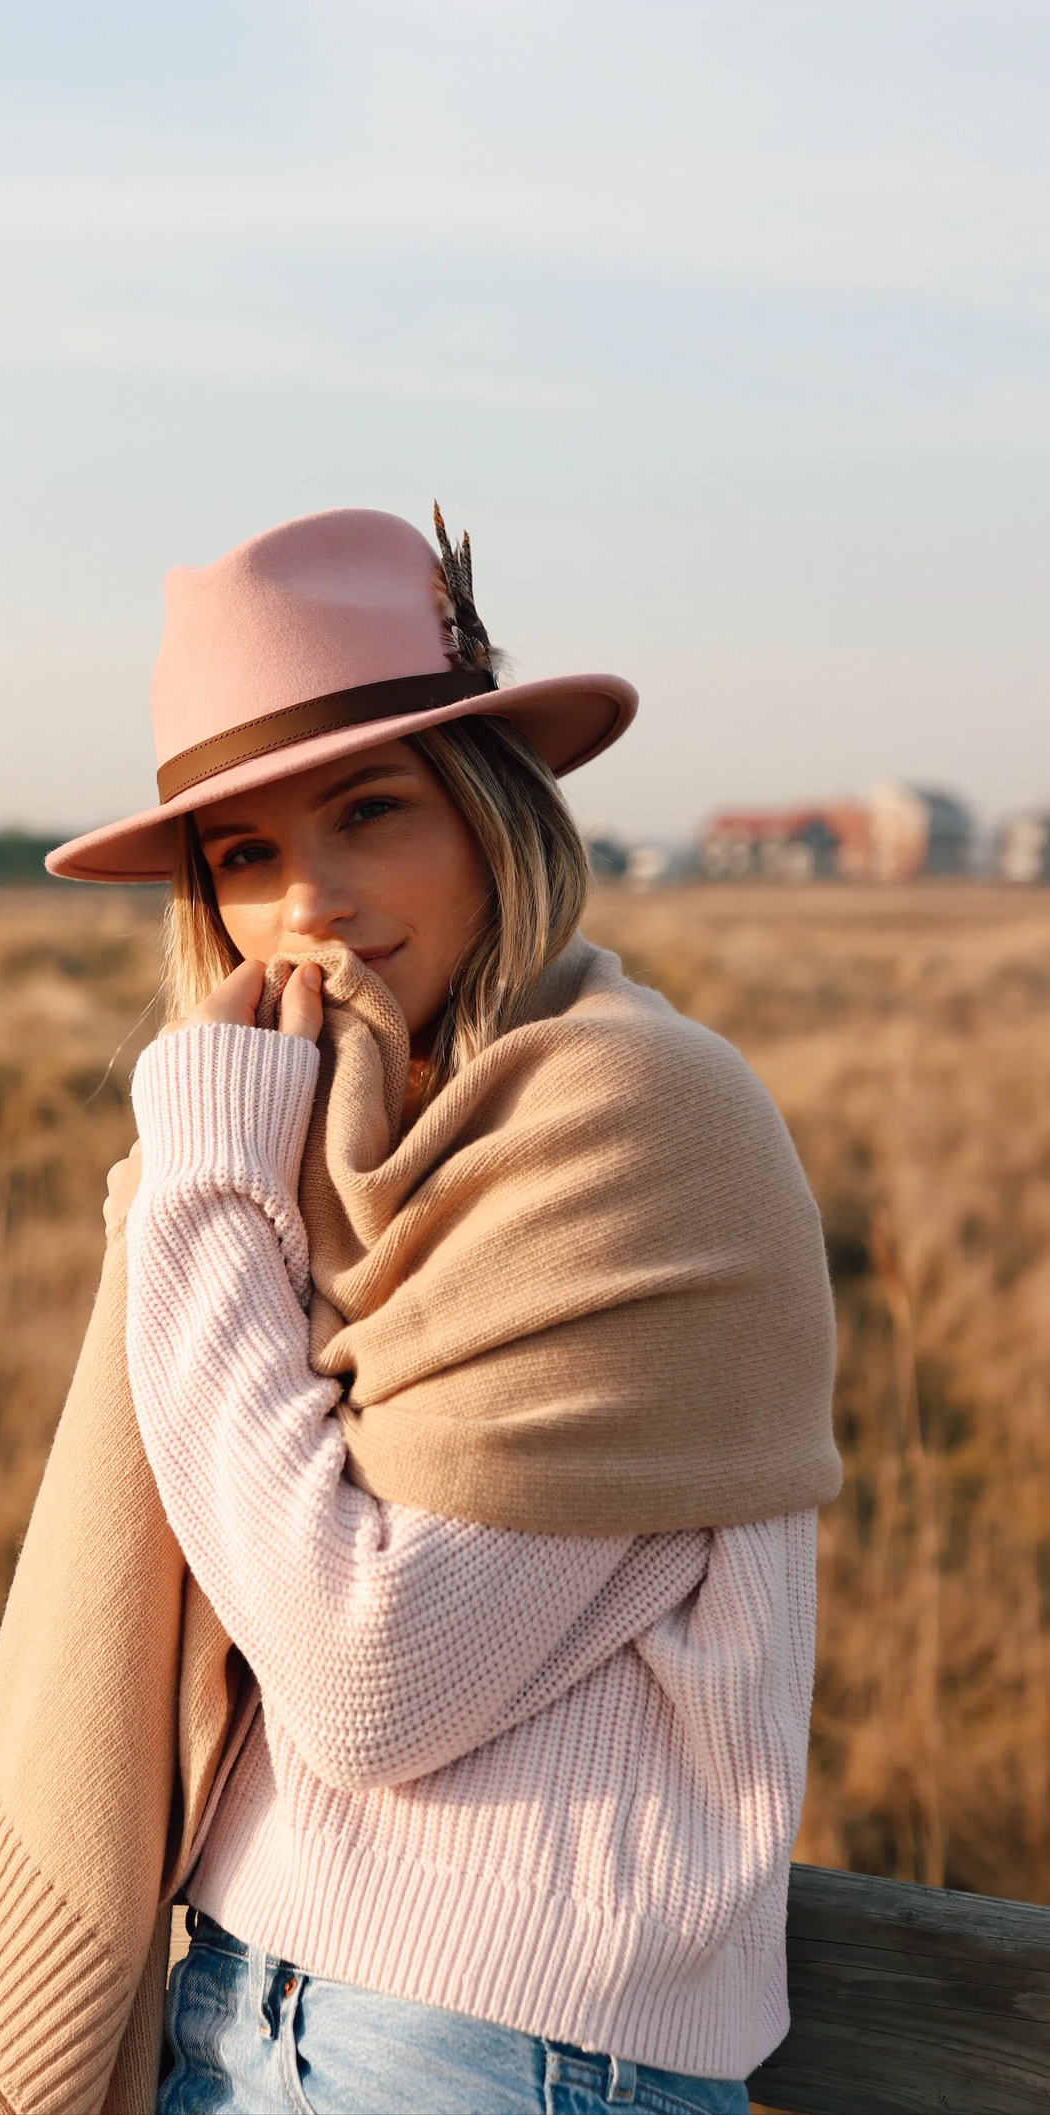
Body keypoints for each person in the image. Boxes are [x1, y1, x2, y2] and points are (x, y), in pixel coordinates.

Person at [42, 504, 841, 2115]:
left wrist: (200, 1190)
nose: (312, 904)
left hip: (494, 2049)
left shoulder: (633, 1119)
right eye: (246, 856)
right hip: (229, 1992)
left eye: (368, 809)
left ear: (492, 814)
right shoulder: (325, 1143)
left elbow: (366, 1681)